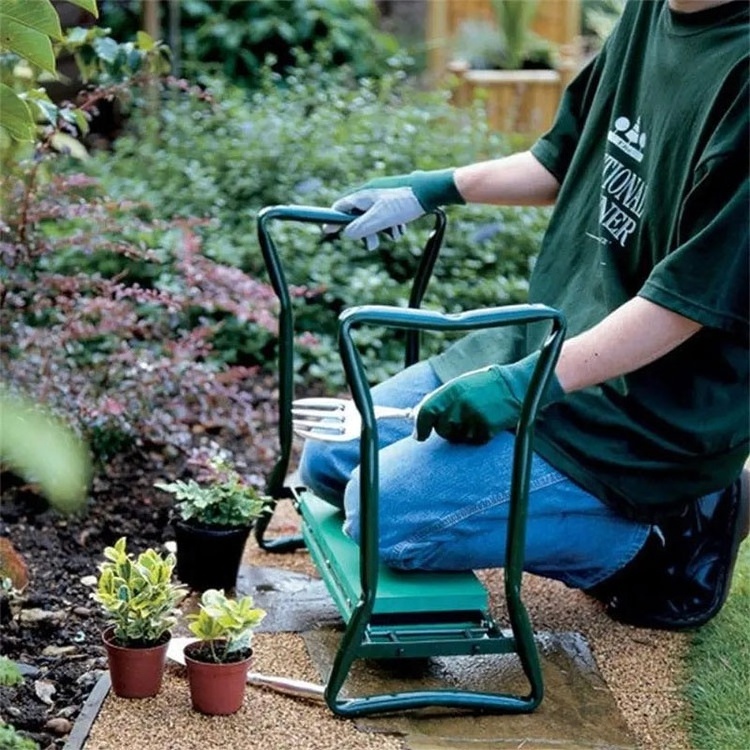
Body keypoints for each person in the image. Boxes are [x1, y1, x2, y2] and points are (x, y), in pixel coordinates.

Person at [299, 0, 749, 629]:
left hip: (647, 407)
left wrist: (523, 387)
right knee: (329, 460)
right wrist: (430, 188)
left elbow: (683, 305)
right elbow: (562, 159)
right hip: (553, 337)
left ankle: (663, 542)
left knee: (378, 513)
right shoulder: (653, 9)